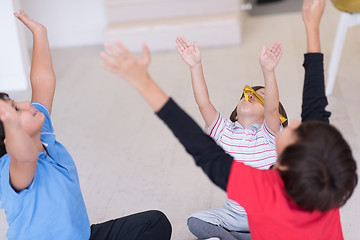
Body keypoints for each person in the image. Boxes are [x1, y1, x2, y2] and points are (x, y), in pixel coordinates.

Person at [100, 0, 357, 239]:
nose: (299, 123)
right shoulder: (323, 184)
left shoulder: (261, 191)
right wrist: (312, 26)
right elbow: (316, 104)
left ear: (286, 166)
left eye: (296, 133)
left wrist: (143, 83)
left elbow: (200, 147)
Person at [0, 10, 172, 240]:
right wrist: (11, 121)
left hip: (83, 236)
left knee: (155, 223)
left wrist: (40, 33)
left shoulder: (42, 134)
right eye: (15, 109)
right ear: (8, 135)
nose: (25, 102)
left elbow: (43, 82)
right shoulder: (11, 169)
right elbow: (24, 158)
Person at [175, 34, 287, 238]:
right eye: (248, 94)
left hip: (268, 215)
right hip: (232, 214)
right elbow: (203, 103)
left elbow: (271, 110)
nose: (250, 95)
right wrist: (195, 66)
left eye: (260, 96)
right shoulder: (224, 132)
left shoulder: (269, 136)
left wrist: (268, 71)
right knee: (195, 221)